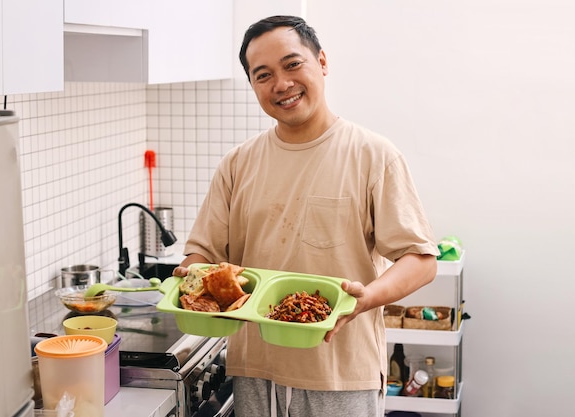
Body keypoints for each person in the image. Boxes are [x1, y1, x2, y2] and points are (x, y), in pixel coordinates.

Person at [173, 15, 439, 417]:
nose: (281, 84)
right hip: (256, 370)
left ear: (322, 62)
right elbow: (202, 255)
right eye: (263, 75)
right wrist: (190, 280)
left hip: (340, 372)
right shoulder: (238, 164)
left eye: (292, 64)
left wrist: (366, 300)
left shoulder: (373, 155)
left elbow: (420, 260)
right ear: (254, 86)